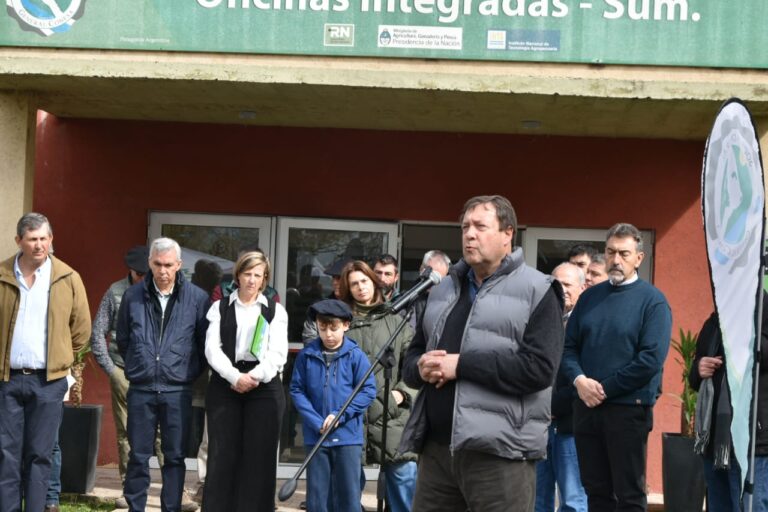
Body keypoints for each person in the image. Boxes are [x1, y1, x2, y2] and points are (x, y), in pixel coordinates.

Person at [400, 195, 565, 511]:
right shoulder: (442, 289)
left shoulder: (539, 290)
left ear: (507, 234)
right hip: (436, 451)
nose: (469, 235)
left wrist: (461, 366)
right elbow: (412, 357)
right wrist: (420, 367)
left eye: (480, 226)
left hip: (501, 455)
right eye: (465, 227)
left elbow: (539, 369)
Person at [561, 223, 672, 511]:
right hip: (586, 410)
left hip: (628, 411)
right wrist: (580, 381)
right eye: (611, 252)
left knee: (629, 496)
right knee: (596, 493)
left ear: (639, 258)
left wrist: (602, 389)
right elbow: (568, 348)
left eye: (624, 253)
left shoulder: (653, 302)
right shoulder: (589, 298)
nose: (616, 259)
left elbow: (650, 360)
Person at [0, 212, 91, 512]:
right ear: (19, 241)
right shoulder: (2, 274)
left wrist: (60, 359)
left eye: (43, 238)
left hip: (48, 382)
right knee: (6, 454)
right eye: (32, 239)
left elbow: (81, 331)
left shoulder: (68, 278)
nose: (39, 245)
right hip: (6, 380)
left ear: (51, 239)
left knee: (40, 454)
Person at [117, 237, 209, 512]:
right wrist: (139, 366)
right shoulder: (133, 296)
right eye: (158, 264)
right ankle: (136, 508)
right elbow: (123, 339)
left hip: (177, 390)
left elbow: (203, 345)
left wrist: (186, 372)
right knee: (138, 456)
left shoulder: (197, 298)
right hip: (142, 387)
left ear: (179, 265)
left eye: (169, 265)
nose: (163, 271)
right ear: (150, 263)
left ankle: (171, 508)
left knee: (175, 457)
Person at [202, 251, 288, 512]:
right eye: (247, 274)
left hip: (264, 386)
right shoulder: (220, 307)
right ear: (237, 275)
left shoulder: (275, 310)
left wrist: (254, 377)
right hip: (226, 383)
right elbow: (212, 349)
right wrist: (234, 377)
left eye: (257, 275)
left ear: (264, 279)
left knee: (259, 456)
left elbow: (278, 353)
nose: (252, 280)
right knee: (222, 454)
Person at [338, 260, 417, 512]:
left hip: (391, 416)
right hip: (352, 417)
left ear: (373, 282)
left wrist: (402, 394)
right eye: (354, 284)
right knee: (348, 489)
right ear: (347, 289)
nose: (361, 287)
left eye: (364, 281)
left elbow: (414, 365)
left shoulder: (396, 321)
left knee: (404, 478)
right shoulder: (340, 323)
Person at [290, 299, 377, 512]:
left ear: (346, 325)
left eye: (334, 328)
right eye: (322, 328)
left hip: (348, 437)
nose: (328, 334)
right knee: (318, 499)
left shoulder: (356, 355)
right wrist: (316, 421)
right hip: (316, 437)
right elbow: (297, 390)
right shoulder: (306, 355)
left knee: (348, 497)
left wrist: (340, 415)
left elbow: (368, 390)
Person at [90, 245, 160, 509]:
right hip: (123, 369)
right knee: (127, 432)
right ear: (130, 270)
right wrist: (111, 371)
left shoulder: (162, 290)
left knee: (163, 433)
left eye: (147, 273)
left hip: (157, 371)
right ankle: (129, 488)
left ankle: (174, 490)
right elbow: (98, 332)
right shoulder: (115, 291)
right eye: (139, 273)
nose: (143, 278)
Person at [689, 293, 768, 511]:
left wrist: (744, 332)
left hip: (752, 440)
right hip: (716, 440)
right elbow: (695, 374)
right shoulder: (715, 319)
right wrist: (699, 368)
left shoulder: (764, 311)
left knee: (750, 507)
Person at [535, 262, 588, 512]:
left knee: (573, 501)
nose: (562, 289)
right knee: (537, 500)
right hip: (538, 426)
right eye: (556, 284)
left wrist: (552, 406)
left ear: (582, 288)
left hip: (570, 426)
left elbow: (586, 377)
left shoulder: (587, 324)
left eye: (568, 284)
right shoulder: (539, 321)